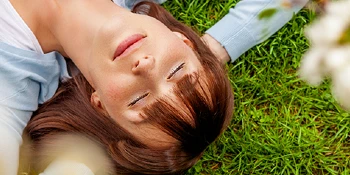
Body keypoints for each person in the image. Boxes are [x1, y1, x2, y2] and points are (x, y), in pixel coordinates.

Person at [0, 0, 307, 175]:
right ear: (183, 41)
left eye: (139, 100)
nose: (146, 67)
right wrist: (216, 46)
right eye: (177, 70)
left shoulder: (11, 86)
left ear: (101, 105)